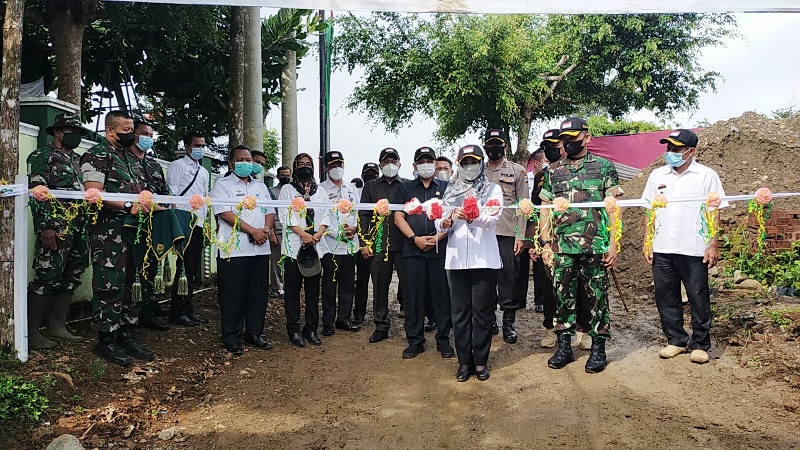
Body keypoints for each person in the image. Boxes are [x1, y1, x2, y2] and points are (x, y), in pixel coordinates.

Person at [539, 117, 620, 373]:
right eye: (565, 139)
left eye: (573, 138)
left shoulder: (604, 167)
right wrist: (545, 243)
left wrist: (613, 243)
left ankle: (598, 349)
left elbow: (614, 208)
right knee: (562, 297)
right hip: (562, 246)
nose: (569, 143)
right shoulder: (553, 171)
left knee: (597, 298)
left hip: (595, 245)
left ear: (586, 137)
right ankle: (564, 346)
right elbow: (545, 209)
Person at [643, 129, 726, 364]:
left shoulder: (706, 176)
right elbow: (649, 211)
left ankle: (700, 343)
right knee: (665, 295)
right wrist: (648, 241)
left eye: (676, 148)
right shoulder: (657, 175)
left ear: (691, 151)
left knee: (698, 296)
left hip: (693, 247)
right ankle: (676, 340)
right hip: (662, 246)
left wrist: (712, 244)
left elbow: (714, 212)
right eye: (668, 147)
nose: (671, 152)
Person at [81, 110, 157, 366]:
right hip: (108, 231)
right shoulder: (96, 155)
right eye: (126, 130)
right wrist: (127, 206)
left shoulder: (130, 158)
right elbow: (94, 193)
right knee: (110, 283)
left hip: (134, 229)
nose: (131, 135)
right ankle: (106, 338)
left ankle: (126, 332)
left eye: (132, 130)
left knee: (131, 282)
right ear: (110, 131)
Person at [436, 145, 503, 381]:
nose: (469, 167)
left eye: (474, 162)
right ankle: (464, 362)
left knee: (482, 313)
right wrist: (443, 223)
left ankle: (481, 361)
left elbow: (493, 218)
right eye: (465, 163)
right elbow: (439, 220)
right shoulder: (450, 191)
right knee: (460, 313)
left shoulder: (492, 189)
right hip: (456, 262)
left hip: (484, 260)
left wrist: (473, 216)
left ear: (481, 163)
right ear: (459, 165)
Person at [26, 112, 91, 349]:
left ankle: (57, 325)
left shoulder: (78, 161)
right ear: (57, 132)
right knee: (47, 275)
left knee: (72, 274)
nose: (75, 137)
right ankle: (32, 333)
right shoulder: (42, 156)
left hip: (79, 226)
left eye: (78, 133)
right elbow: (37, 192)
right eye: (71, 132)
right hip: (56, 226)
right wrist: (45, 226)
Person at [532, 129, 594, 349]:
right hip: (552, 240)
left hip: (582, 238)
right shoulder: (543, 176)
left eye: (555, 145)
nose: (551, 149)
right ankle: (551, 327)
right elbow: (538, 210)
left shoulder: (586, 170)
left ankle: (582, 329)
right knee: (550, 286)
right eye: (546, 146)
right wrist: (538, 242)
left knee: (580, 287)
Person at [211, 146, 276, 355]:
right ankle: (232, 336)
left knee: (258, 293)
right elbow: (225, 214)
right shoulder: (222, 185)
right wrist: (253, 231)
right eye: (241, 159)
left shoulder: (260, 187)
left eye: (249, 159)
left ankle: (254, 333)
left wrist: (265, 230)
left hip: (260, 248)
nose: (246, 162)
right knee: (233, 294)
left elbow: (270, 211)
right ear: (231, 163)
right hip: (234, 249)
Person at [393, 146, 454, 359]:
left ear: (435, 164)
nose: (426, 164)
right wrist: (414, 238)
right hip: (413, 250)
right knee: (414, 297)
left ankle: (443, 340)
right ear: (414, 165)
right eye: (422, 161)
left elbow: (452, 217)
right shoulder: (405, 188)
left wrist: (438, 237)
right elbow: (398, 217)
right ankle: (415, 341)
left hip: (439, 250)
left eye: (429, 160)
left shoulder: (447, 187)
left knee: (441, 296)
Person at [279, 153, 330, 347]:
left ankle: (311, 328)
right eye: (301, 164)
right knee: (292, 290)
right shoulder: (287, 189)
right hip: (294, 246)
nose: (305, 167)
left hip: (316, 245)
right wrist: (304, 235)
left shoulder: (320, 191)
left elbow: (326, 214)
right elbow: (285, 215)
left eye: (308, 164)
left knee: (312, 290)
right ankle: (293, 329)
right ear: (294, 167)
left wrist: (318, 234)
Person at [483, 129, 529, 344]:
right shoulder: (476, 171)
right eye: (490, 144)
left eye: (498, 144)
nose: (494, 148)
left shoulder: (517, 171)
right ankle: (490, 319)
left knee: (508, 279)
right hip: (483, 234)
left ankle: (508, 323)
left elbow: (523, 205)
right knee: (486, 278)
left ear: (505, 147)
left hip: (507, 233)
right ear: (485, 147)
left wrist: (520, 235)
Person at [359, 148, 409, 343]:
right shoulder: (370, 186)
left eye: (393, 160)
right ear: (380, 164)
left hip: (404, 244)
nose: (390, 163)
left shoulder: (406, 185)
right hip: (379, 243)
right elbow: (363, 216)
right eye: (386, 161)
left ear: (399, 163)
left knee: (408, 286)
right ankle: (381, 325)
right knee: (380, 285)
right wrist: (364, 242)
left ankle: (411, 326)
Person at [166, 132, 211, 326]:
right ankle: (178, 310)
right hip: (184, 222)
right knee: (183, 268)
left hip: (199, 223)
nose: (200, 148)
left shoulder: (203, 171)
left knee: (192, 268)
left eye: (203, 145)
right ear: (187, 146)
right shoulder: (178, 166)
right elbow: (172, 194)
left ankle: (188, 307)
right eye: (196, 145)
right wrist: (176, 223)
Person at [319, 151, 361, 335]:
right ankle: (328, 321)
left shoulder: (351, 188)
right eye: (333, 165)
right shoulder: (321, 190)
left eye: (339, 165)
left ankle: (344, 318)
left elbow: (358, 212)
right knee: (329, 285)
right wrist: (337, 233)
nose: (337, 169)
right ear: (326, 168)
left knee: (347, 284)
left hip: (350, 245)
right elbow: (322, 216)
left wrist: (355, 229)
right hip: (330, 245)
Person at [353, 162, 380, 324]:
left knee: (379, 281)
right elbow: (360, 218)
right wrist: (363, 242)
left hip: (379, 242)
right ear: (362, 175)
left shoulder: (380, 191)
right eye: (368, 173)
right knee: (362, 280)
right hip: (363, 243)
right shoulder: (356, 193)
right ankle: (359, 312)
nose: (371, 176)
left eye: (373, 173)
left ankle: (380, 313)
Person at [269, 166, 291, 299]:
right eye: (283, 175)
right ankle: (277, 287)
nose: (286, 177)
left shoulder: (293, 191)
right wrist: (271, 232)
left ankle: (288, 286)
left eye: (288, 175)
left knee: (289, 260)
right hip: (277, 229)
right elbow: (269, 212)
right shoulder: (272, 192)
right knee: (277, 260)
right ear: (278, 177)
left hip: (291, 231)